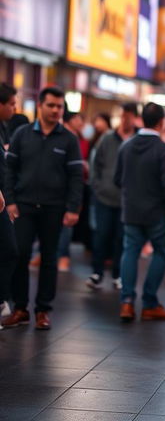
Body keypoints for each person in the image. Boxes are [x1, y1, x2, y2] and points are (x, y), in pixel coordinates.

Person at [1, 87, 83, 331]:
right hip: (23, 206)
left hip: (54, 207)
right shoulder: (22, 134)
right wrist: (11, 201)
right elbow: (9, 170)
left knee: (49, 259)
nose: (57, 110)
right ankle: (21, 309)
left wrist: (72, 208)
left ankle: (43, 310)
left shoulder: (69, 139)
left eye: (60, 107)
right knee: (21, 254)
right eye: (52, 105)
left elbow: (76, 176)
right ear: (41, 106)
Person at [115, 103, 165, 322]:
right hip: (157, 212)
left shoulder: (126, 146)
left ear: (142, 119)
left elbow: (117, 179)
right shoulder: (164, 150)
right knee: (162, 252)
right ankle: (150, 303)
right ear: (162, 122)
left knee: (130, 252)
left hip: (131, 210)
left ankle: (126, 303)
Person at [86, 102, 138, 291]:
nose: (125, 119)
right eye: (123, 116)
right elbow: (95, 163)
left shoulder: (136, 139)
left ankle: (118, 274)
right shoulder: (107, 139)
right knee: (101, 234)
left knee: (121, 238)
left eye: (129, 116)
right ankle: (97, 272)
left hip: (127, 199)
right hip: (105, 196)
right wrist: (97, 186)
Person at [57, 111, 90, 272]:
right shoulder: (60, 136)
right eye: (78, 118)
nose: (81, 122)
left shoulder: (82, 140)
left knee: (66, 223)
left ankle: (64, 256)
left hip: (74, 186)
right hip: (56, 187)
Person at [0, 83, 17, 322]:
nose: (14, 108)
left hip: (3, 199)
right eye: (11, 104)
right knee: (8, 249)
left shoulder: (3, 128)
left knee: (10, 250)